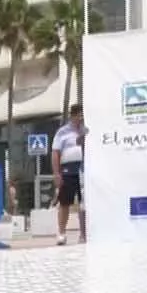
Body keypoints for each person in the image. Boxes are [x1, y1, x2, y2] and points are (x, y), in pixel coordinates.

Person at [51, 103, 86, 246]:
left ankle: (84, 234)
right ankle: (61, 232)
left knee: (85, 203)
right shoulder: (62, 132)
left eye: (83, 115)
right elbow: (55, 153)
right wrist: (56, 173)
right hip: (67, 170)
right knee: (65, 202)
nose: (81, 118)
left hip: (84, 169)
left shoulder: (87, 130)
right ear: (72, 116)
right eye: (78, 115)